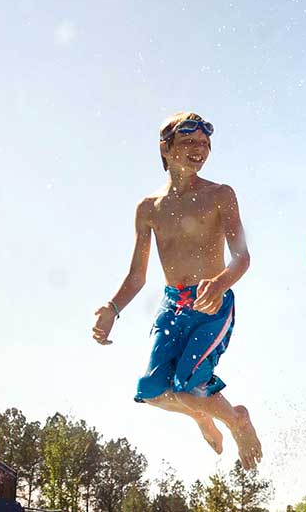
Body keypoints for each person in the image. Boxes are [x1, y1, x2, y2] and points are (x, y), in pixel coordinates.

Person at [91, 112, 262, 468]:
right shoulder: (148, 209)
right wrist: (112, 307)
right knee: (152, 392)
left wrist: (220, 283)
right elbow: (138, 275)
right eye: (188, 143)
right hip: (173, 306)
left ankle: (236, 421)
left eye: (204, 143)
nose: (199, 150)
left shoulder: (220, 195)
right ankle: (202, 414)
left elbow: (242, 257)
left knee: (188, 386)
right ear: (165, 150)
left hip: (212, 305)